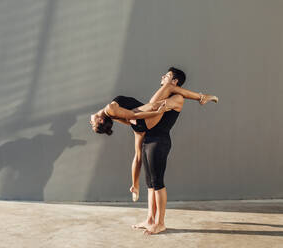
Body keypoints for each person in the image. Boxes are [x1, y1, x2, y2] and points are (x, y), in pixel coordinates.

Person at [90, 67, 218, 202]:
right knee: (165, 91)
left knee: (138, 154)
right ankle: (202, 97)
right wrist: (156, 113)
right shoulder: (109, 109)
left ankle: (135, 186)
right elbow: (132, 115)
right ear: (100, 120)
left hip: (139, 123)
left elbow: (128, 120)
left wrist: (141, 118)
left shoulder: (110, 112)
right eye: (92, 123)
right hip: (143, 119)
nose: (90, 121)